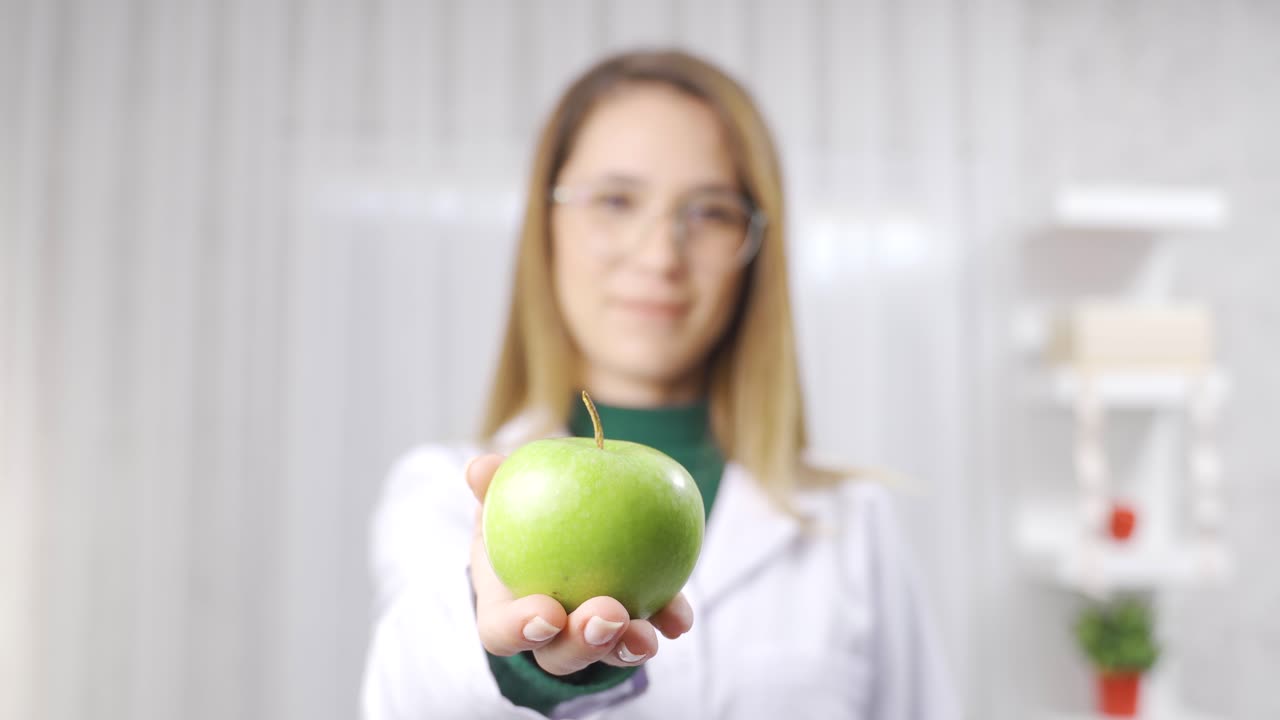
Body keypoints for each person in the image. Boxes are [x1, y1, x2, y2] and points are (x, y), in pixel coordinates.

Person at [361, 49, 957, 719]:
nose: (660, 255)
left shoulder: (850, 522)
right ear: (545, 226)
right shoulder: (444, 493)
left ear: (755, 251)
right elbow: (413, 694)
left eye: (709, 213)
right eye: (615, 201)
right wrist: (517, 659)